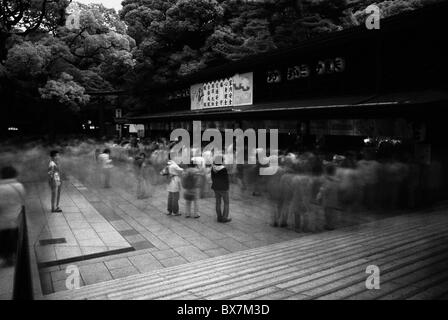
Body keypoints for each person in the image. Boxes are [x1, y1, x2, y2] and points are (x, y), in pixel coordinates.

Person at [0, 166, 26, 267]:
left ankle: (7, 259)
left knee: (4, 241)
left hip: (2, 222)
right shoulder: (19, 186)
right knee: (15, 239)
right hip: (16, 220)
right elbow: (23, 201)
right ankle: (16, 257)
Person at [317, 163, 341, 231]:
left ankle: (329, 225)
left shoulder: (326, 180)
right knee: (332, 212)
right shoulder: (336, 180)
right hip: (334, 199)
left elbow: (324, 190)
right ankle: (331, 224)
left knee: (327, 213)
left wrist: (319, 197)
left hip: (327, 199)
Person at [211, 155, 231, 223]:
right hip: (223, 188)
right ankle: (225, 218)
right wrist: (227, 187)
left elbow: (212, 178)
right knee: (226, 203)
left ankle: (219, 217)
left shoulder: (213, 168)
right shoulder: (223, 169)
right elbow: (226, 179)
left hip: (216, 187)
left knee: (218, 202)